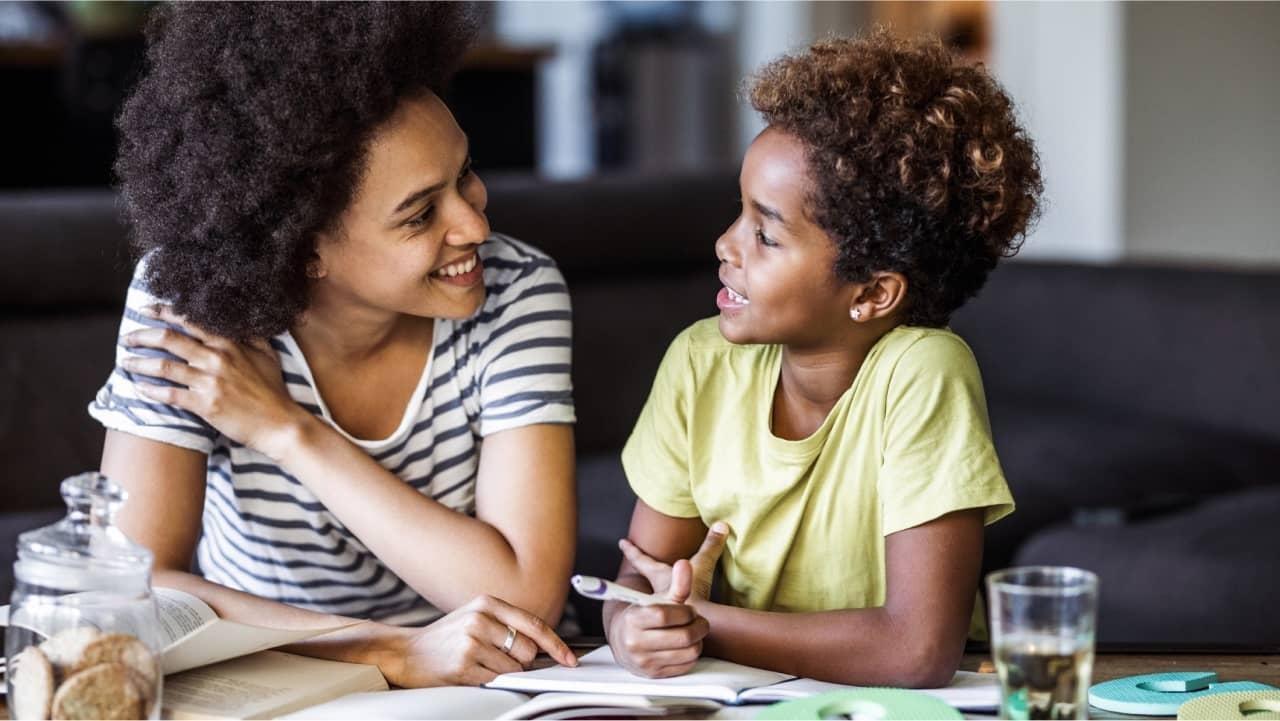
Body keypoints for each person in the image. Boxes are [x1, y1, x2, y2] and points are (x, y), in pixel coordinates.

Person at [91, 2, 579, 687]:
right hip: (265, 671)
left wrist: (288, 431)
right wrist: (386, 649)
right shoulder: (188, 303)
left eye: (465, 173)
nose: (474, 223)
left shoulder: (518, 290)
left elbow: (527, 595)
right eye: (420, 213)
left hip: (465, 680)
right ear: (306, 250)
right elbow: (130, 580)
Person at [604, 30, 1043, 687]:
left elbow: (917, 651)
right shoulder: (700, 363)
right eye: (738, 212)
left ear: (871, 293)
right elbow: (640, 575)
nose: (726, 244)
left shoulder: (923, 373)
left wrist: (706, 623)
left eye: (766, 232)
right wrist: (632, 623)